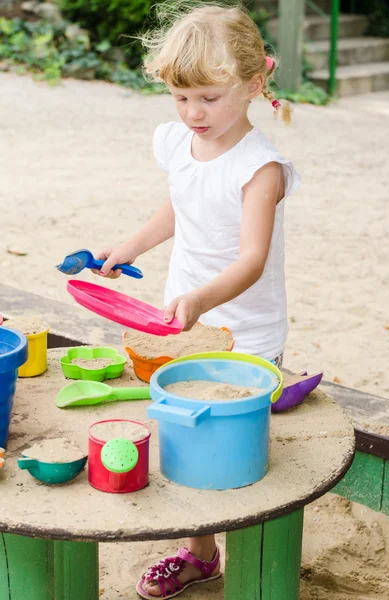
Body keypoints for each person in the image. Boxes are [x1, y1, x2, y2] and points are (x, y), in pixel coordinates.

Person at [95, 2, 300, 598]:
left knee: (234, 453)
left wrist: (200, 301)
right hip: (182, 320)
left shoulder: (260, 166)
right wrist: (130, 245)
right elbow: (180, 205)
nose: (192, 113)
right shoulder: (177, 142)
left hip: (246, 332)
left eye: (208, 98)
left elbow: (251, 259)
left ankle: (258, 564)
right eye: (181, 98)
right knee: (186, 443)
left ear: (254, 84)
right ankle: (201, 556)